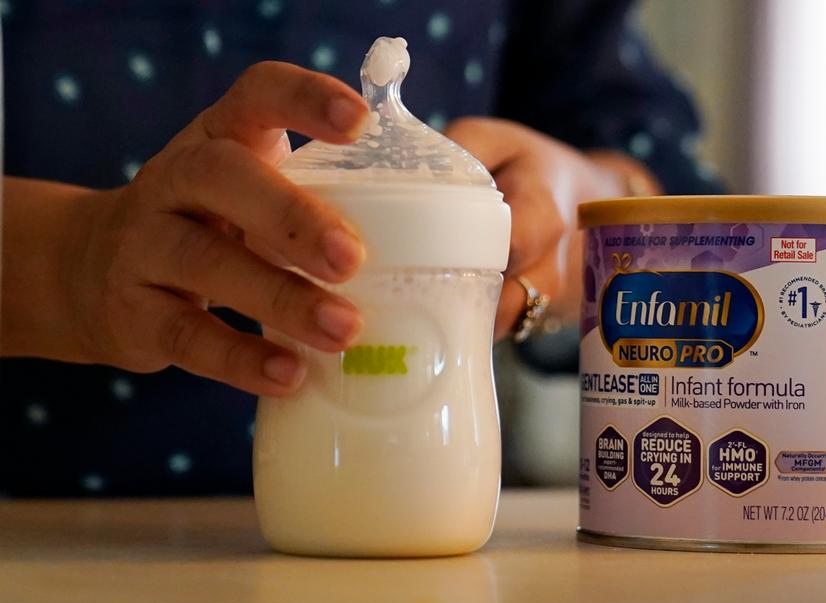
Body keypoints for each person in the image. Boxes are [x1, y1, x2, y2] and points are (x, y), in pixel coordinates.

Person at [0, 0, 723, 496]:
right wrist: (65, 262)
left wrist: (591, 216)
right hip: (36, 539)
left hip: (436, 535)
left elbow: (680, 199)